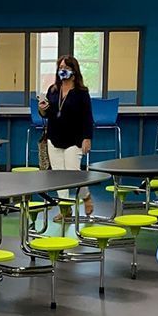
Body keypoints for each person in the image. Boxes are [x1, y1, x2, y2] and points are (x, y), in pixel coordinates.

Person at [39, 55, 95, 218]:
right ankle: (65, 209)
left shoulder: (81, 93)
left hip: (74, 139)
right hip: (54, 138)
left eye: (66, 68)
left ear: (74, 71)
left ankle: (86, 197)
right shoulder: (53, 90)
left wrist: (87, 138)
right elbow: (48, 113)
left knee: (73, 173)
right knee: (59, 176)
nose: (62, 70)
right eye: (60, 67)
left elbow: (87, 117)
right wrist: (42, 109)